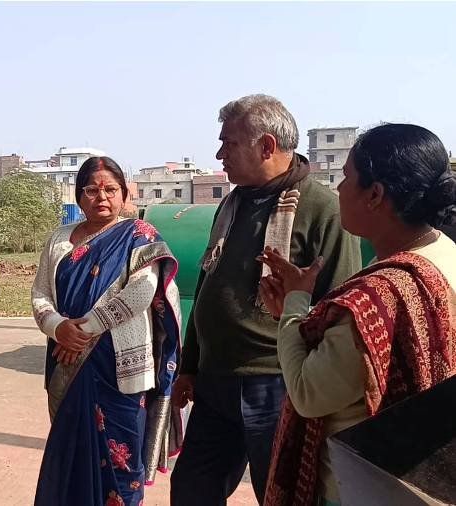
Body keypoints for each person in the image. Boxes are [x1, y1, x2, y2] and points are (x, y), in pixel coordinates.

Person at [169, 94, 362, 505]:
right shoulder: (232, 203)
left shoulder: (322, 210)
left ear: (267, 146)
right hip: (215, 380)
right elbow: (206, 285)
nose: (220, 155)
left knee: (279, 494)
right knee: (191, 489)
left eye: (229, 143)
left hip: (275, 384)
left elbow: (341, 306)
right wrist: (190, 366)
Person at [257, 123, 456, 506]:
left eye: (347, 178)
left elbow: (308, 394)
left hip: (360, 488)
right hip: (425, 477)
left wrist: (294, 306)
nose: (339, 189)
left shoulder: (378, 297)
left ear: (375, 195)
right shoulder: (444, 253)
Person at [32, 156, 183, 506]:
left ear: (124, 194)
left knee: (122, 465)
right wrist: (58, 328)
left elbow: (141, 292)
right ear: (79, 196)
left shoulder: (139, 235)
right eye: (92, 190)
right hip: (66, 362)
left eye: (111, 190)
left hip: (121, 369)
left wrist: (81, 331)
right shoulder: (59, 240)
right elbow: (40, 293)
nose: (102, 197)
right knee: (72, 457)